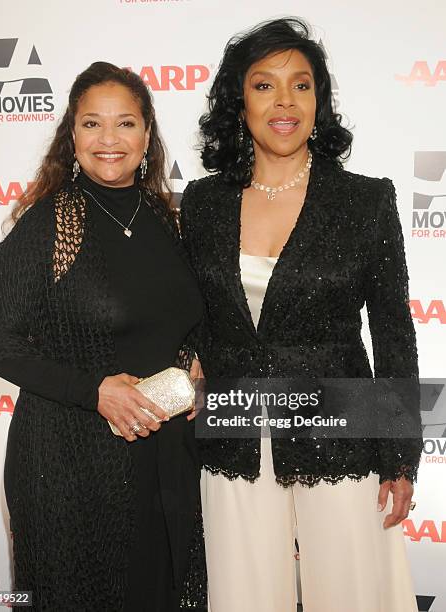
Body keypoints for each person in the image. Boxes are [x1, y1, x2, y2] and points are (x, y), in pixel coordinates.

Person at [180, 18, 422, 612]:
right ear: (240, 103)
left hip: (339, 433)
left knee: (352, 596)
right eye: (264, 85)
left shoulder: (365, 200)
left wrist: (399, 457)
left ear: (320, 100)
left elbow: (393, 332)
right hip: (233, 434)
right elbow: (190, 316)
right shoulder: (203, 202)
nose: (284, 102)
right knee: (241, 597)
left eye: (302, 85)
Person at [0, 62, 204, 611]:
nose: (108, 139)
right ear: (71, 135)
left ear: (147, 134)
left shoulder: (164, 218)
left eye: (125, 123)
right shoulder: (50, 225)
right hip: (71, 466)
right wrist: (95, 390)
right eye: (91, 124)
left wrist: (193, 359)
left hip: (162, 456)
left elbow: (176, 315)